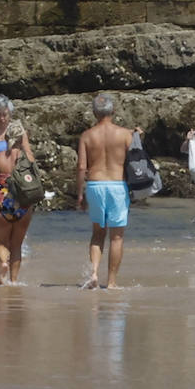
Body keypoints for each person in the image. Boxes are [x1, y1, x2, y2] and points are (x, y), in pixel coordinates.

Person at [75, 93, 135, 290]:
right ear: (114, 111)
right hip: (117, 185)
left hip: (95, 184)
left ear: (94, 113)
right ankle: (111, 282)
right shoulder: (126, 134)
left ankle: (93, 273)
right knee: (117, 237)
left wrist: (80, 194)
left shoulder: (87, 136)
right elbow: (134, 162)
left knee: (97, 234)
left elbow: (81, 167)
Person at [0, 121, 35, 285]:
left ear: (6, 137)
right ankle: (13, 281)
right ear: (21, 139)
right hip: (23, 205)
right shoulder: (28, 158)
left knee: (1, 242)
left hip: (2, 202)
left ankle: (3, 264)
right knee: (16, 246)